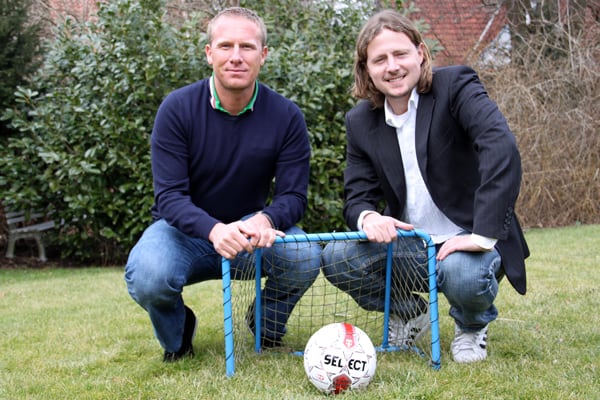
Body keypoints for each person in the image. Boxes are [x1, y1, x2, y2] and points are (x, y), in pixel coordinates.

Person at [322, 9, 529, 363]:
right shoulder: (360, 121)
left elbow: (500, 148)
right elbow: (357, 195)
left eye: (400, 54)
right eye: (380, 59)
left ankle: (471, 325)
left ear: (420, 53)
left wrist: (482, 235)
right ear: (366, 69)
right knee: (336, 258)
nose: (392, 67)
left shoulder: (456, 86)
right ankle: (409, 313)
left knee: (464, 274)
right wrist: (369, 217)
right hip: (410, 245)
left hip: (465, 240)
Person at [124, 7, 321, 362]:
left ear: (263, 55)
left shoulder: (286, 116)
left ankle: (265, 326)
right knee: (149, 276)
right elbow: (169, 196)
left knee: (304, 256)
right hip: (183, 233)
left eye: (247, 47)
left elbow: (293, 195)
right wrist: (214, 230)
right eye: (225, 46)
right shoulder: (177, 108)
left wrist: (266, 219)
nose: (236, 56)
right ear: (209, 53)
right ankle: (178, 335)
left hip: (249, 234)